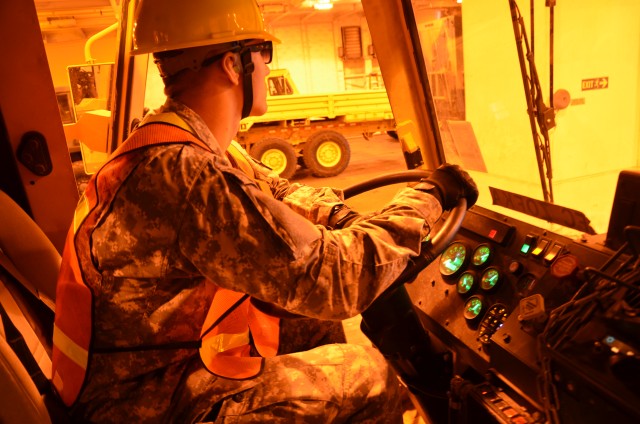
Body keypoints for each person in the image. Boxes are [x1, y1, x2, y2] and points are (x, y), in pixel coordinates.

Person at [51, 0, 478, 422]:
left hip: (138, 379)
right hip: (145, 405)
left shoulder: (175, 140)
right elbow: (336, 279)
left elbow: (273, 191)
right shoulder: (184, 173)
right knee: (371, 374)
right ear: (233, 65)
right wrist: (429, 197)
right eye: (264, 53)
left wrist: (343, 219)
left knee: (310, 324)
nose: (269, 67)